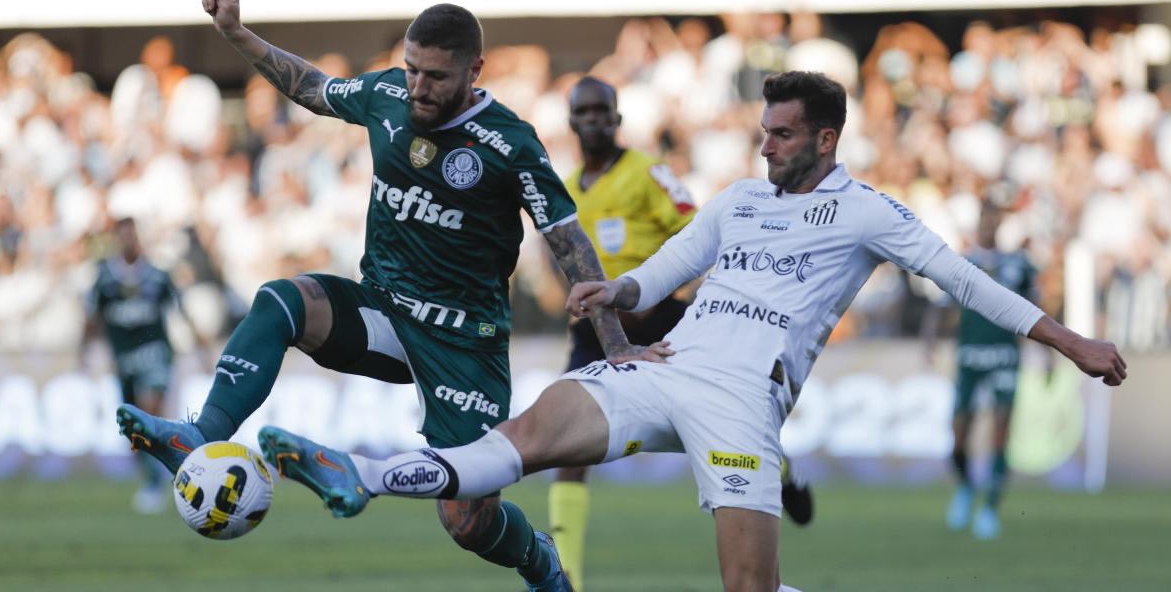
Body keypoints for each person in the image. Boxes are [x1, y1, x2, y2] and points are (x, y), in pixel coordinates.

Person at [255, 71, 1126, 592]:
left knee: (747, 588)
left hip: (744, 400)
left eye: (782, 135)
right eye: (763, 131)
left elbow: (963, 279)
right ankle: (361, 474)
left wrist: (1073, 341)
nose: (764, 147)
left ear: (825, 138)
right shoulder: (739, 199)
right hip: (665, 363)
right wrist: (615, 290)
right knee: (524, 438)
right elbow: (668, 267)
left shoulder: (868, 212)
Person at [119, 0, 662, 591]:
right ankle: (201, 434)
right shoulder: (387, 95)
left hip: (464, 343)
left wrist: (615, 343)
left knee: (468, 522)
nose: (418, 87)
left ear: (474, 71)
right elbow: (313, 87)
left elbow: (569, 242)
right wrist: (235, 32)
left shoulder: (510, 144)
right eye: (411, 69)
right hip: (383, 309)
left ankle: (540, 561)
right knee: (281, 301)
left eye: (436, 76)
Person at [548, 75, 811, 590]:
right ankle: (568, 579)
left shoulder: (648, 173)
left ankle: (779, 473)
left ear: (618, 118)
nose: (595, 119)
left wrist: (656, 294)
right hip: (597, 329)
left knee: (725, 421)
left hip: (663, 319)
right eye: (585, 111)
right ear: (571, 121)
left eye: (603, 110)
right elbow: (558, 246)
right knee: (566, 449)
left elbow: (696, 235)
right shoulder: (569, 186)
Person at [82, 217, 207, 514]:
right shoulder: (104, 278)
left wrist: (202, 348)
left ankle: (164, 480)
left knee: (149, 413)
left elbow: (182, 311)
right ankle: (153, 478)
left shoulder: (158, 276)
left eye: (132, 236)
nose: (129, 241)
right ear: (116, 240)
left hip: (156, 355)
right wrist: (83, 353)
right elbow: (91, 318)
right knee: (133, 428)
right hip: (124, 361)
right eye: (123, 236)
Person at [942, 201, 1039, 540]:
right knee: (958, 434)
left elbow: (1037, 309)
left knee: (1001, 430)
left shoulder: (1018, 265)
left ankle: (990, 509)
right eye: (984, 220)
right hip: (970, 355)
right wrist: (929, 340)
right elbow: (942, 307)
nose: (988, 225)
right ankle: (966, 487)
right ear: (978, 223)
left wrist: (1048, 352)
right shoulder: (961, 262)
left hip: (1004, 355)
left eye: (993, 220)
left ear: (999, 225)